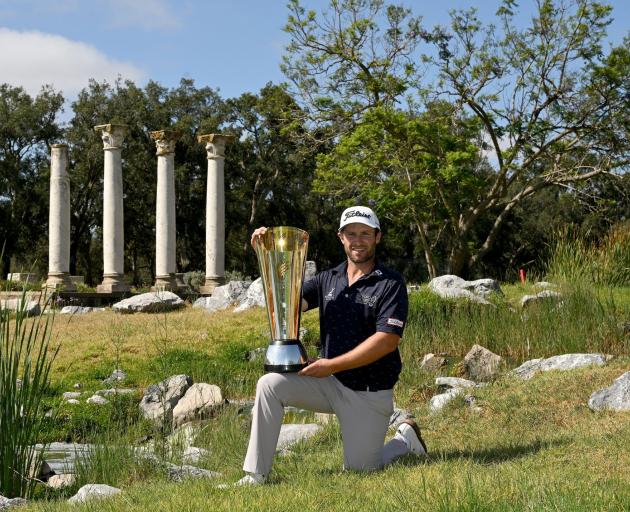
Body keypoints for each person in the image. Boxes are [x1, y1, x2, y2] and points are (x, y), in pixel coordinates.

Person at [237, 206, 427, 486]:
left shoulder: (390, 283)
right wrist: (266, 257)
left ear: (378, 237)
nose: (358, 240)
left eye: (365, 233)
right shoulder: (328, 279)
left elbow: (387, 341)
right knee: (270, 385)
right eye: (351, 233)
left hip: (368, 393)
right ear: (341, 237)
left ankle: (403, 440)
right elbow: (285, 309)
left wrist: (331, 365)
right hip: (329, 383)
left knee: (362, 469)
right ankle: (256, 475)